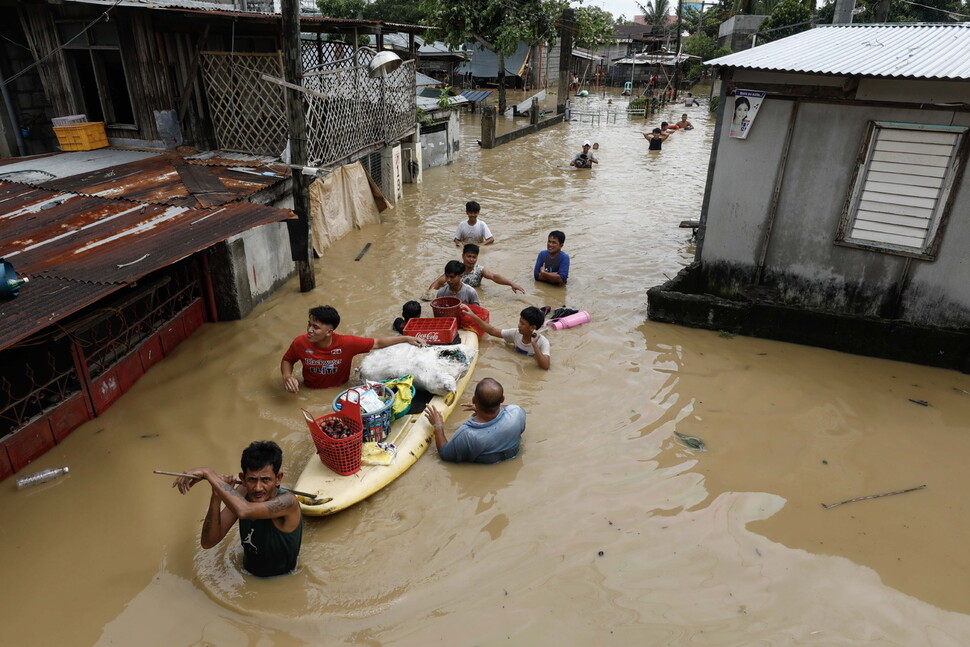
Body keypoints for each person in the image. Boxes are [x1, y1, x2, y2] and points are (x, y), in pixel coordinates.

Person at [172, 441, 303, 578]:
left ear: (278, 478)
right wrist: (216, 496)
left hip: (281, 580)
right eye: (252, 480)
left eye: (265, 480)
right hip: (247, 573)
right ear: (243, 479)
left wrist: (209, 473)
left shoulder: (288, 502)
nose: (258, 488)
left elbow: (244, 510)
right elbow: (208, 542)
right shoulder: (243, 492)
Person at [281, 305, 425, 393]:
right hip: (308, 389)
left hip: (340, 389)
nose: (309, 330)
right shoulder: (300, 342)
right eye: (309, 324)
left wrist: (407, 338)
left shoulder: (347, 343)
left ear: (329, 332)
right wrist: (287, 376)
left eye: (316, 327)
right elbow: (287, 360)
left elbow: (378, 342)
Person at [424, 378, 526, 464]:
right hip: (513, 457)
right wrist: (482, 408)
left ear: (473, 400)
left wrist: (438, 425)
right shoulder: (517, 412)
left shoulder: (468, 434)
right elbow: (506, 409)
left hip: (486, 468)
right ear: (503, 399)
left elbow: (445, 455)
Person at [459, 304, 550, 370]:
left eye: (522, 324)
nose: (518, 325)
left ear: (532, 328)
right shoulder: (516, 333)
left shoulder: (543, 342)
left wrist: (534, 344)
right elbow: (492, 331)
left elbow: (545, 366)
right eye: (519, 322)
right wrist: (474, 316)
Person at [428, 243, 525, 294]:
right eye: (468, 256)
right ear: (463, 256)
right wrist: (428, 294)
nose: (471, 260)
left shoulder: (480, 270)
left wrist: (511, 283)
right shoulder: (456, 269)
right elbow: (438, 282)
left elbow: (494, 277)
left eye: (474, 257)